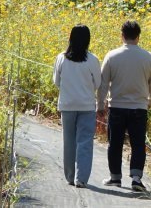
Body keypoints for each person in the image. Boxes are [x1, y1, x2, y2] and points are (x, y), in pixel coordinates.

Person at [97, 20, 151, 192]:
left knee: (114, 143)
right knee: (138, 144)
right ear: (138, 37)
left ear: (122, 35)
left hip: (116, 105)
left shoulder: (112, 55)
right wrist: (149, 100)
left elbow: (103, 83)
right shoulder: (148, 57)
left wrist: (100, 104)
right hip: (139, 107)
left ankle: (115, 177)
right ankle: (136, 179)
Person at [54, 25, 102, 188]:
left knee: (69, 140)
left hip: (67, 105)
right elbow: (98, 83)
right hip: (86, 105)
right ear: (88, 40)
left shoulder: (61, 58)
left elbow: (56, 82)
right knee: (85, 141)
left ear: (70, 38)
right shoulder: (92, 59)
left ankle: (69, 176)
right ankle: (81, 178)